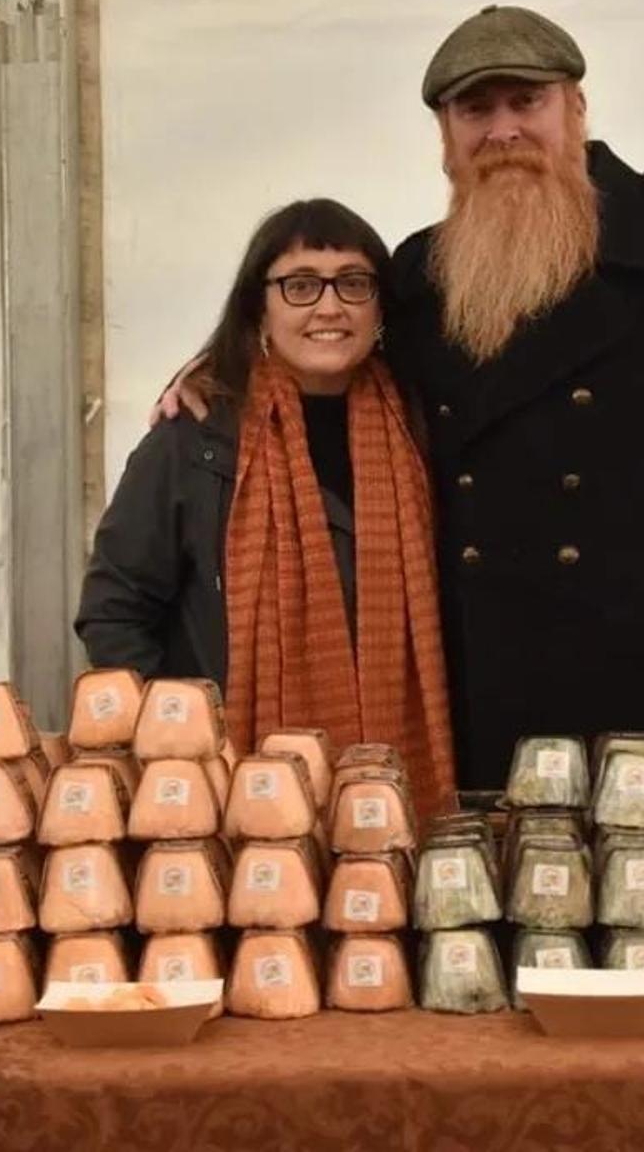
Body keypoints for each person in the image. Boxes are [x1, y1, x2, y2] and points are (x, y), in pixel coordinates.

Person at [156, 7, 644, 801]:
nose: (503, 130)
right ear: (446, 137)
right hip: (484, 693)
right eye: (475, 110)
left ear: (576, 108)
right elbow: (329, 350)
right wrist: (225, 365)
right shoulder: (419, 276)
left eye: (527, 102)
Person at [75, 199, 456, 821]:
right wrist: (182, 738)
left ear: (380, 305)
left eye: (353, 283)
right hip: (230, 794)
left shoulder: (424, 426)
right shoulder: (193, 439)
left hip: (402, 787)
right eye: (300, 285)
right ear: (260, 305)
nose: (329, 307)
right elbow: (114, 610)